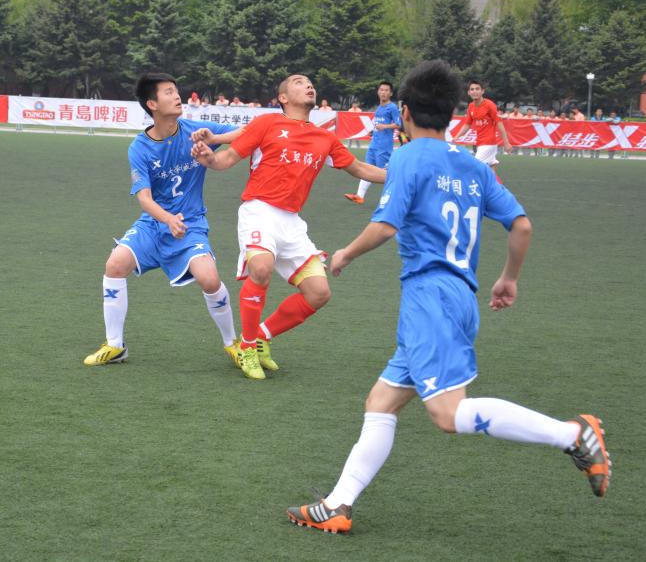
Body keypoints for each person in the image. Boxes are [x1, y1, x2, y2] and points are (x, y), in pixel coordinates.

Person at [286, 60, 611, 535]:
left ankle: (571, 434)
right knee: (381, 401)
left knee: (447, 413)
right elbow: (521, 225)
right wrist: (509, 278)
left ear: (404, 111)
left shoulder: (407, 157)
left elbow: (385, 225)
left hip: (430, 298)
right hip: (459, 295)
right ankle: (338, 504)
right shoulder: (474, 166)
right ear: (452, 112)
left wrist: (345, 254)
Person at [191, 74, 387, 380]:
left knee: (319, 293)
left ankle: (262, 337)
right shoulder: (267, 123)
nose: (308, 85)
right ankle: (246, 346)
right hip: (259, 210)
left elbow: (360, 168)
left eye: (309, 83)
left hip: (292, 222)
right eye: (298, 82)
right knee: (261, 268)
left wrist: (404, 176)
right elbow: (226, 159)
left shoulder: (324, 138)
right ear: (283, 97)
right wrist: (209, 158)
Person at [84, 73, 241, 368]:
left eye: (176, 91)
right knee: (115, 264)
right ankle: (115, 345)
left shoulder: (195, 130)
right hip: (154, 224)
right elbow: (144, 198)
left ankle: (233, 344)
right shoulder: (139, 147)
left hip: (190, 225)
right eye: (168, 92)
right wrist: (167, 219)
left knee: (210, 279)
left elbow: (249, 133)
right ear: (152, 104)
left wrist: (214, 139)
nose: (177, 96)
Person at [345, 81, 400, 205]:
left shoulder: (392, 107)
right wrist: (373, 131)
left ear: (391, 93)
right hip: (374, 144)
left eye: (386, 90)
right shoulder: (379, 108)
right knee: (368, 169)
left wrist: (385, 126)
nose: (383, 92)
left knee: (385, 173)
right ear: (378, 92)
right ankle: (359, 196)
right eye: (381, 90)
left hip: (384, 146)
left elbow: (398, 124)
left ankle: (395, 199)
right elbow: (378, 124)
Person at [455, 80, 513, 172]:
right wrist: (456, 137)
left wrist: (506, 142)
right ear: (469, 92)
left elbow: (499, 123)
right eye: (472, 89)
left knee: (474, 168)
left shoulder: (489, 105)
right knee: (490, 169)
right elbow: (467, 125)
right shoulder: (471, 106)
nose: (474, 91)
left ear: (482, 91)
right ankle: (494, 182)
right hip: (480, 142)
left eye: (477, 89)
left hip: (488, 143)